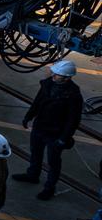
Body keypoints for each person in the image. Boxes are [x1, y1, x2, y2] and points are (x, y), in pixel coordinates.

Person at [12, 59, 83, 200]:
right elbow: (38, 102)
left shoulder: (73, 95)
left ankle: (49, 187)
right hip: (40, 127)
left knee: (53, 162)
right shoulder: (48, 84)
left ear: (67, 78)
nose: (53, 76)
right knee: (35, 153)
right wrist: (29, 116)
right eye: (54, 73)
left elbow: (73, 120)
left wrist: (63, 138)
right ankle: (33, 175)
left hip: (55, 134)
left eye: (57, 74)